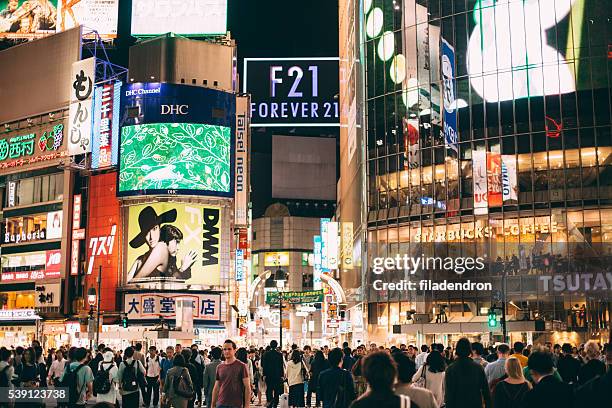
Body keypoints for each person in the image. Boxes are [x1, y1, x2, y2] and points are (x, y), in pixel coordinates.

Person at [126, 206, 177, 280]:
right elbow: (126, 284)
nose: (151, 237)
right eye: (147, 232)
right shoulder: (140, 259)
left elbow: (134, 282)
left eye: (154, 229)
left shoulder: (161, 247)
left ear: (159, 229)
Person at [444, 338, 491, 408]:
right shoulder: (478, 368)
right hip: (475, 403)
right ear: (470, 350)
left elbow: (448, 393)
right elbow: (486, 390)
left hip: (456, 404)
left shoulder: (450, 369)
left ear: (457, 350)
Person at [211, 339, 251, 408]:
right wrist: (213, 404)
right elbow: (216, 387)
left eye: (229, 349)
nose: (226, 351)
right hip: (221, 403)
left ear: (235, 350)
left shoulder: (242, 366)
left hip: (236, 404)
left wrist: (247, 405)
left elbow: (247, 387)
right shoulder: (220, 367)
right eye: (224, 349)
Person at [261, 340, 284, 408]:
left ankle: (270, 402)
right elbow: (281, 365)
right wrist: (282, 375)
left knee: (269, 389)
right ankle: (275, 404)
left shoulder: (266, 354)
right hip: (277, 375)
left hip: (268, 375)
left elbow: (264, 365)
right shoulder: (279, 354)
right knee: (276, 390)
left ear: (270, 345)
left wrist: (264, 374)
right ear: (276, 345)